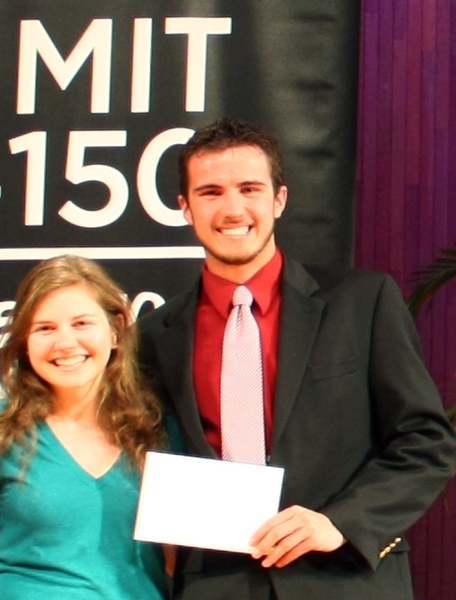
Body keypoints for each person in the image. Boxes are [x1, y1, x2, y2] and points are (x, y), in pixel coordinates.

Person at [138, 117, 456, 600]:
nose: (232, 209)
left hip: (344, 580)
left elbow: (427, 441)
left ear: (279, 199)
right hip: (216, 587)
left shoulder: (363, 302)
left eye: (250, 189)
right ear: (185, 207)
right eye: (210, 192)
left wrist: (340, 523)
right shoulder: (155, 336)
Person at [0, 255, 170, 600]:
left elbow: (181, 561)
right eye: (45, 328)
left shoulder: (156, 428)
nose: (65, 343)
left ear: (115, 331)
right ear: (24, 340)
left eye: (81, 323)